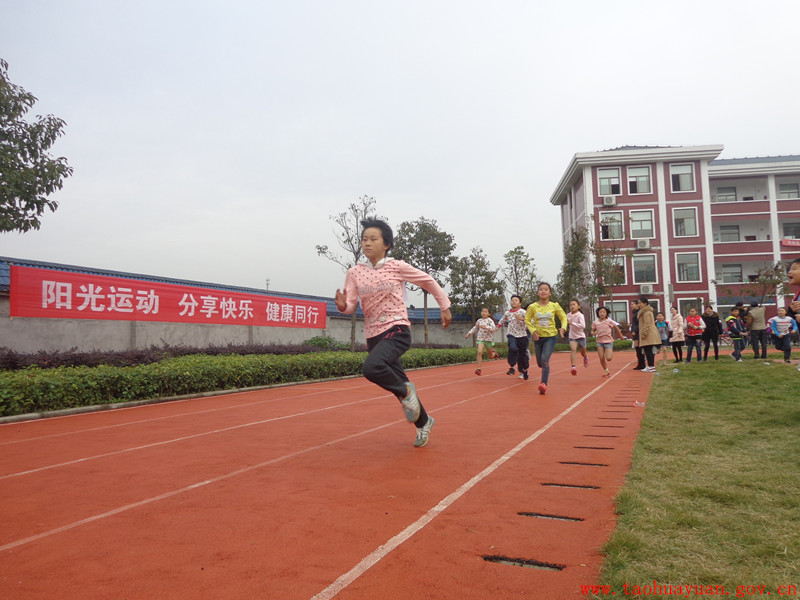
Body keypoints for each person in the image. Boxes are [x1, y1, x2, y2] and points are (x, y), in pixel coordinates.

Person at [335, 218, 452, 448]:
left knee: (372, 368)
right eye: (364, 239)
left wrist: (445, 306)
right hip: (374, 334)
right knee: (398, 381)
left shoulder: (396, 266)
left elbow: (428, 281)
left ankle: (406, 392)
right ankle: (424, 422)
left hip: (397, 328)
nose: (367, 243)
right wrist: (342, 306)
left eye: (373, 239)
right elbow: (350, 305)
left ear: (386, 244)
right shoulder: (355, 272)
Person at [525, 282, 567, 395]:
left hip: (551, 337)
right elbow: (527, 320)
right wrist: (533, 331)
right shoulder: (532, 307)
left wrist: (563, 328)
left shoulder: (554, 306)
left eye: (546, 289)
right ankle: (544, 370)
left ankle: (544, 384)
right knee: (540, 363)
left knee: (544, 359)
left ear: (550, 293)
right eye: (541, 289)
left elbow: (563, 317)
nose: (543, 291)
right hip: (538, 338)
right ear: (538, 292)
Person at [497, 295, 530, 380]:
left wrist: (522, 318)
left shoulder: (523, 312)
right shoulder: (507, 313)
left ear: (520, 303)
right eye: (512, 300)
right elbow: (502, 320)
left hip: (522, 336)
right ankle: (512, 366)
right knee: (513, 348)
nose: (513, 302)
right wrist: (497, 327)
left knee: (522, 355)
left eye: (516, 300)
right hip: (511, 334)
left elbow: (530, 321)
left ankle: (525, 369)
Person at [465, 307, 499, 376]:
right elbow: (475, 328)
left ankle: (494, 354)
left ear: (489, 314)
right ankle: (479, 369)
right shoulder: (479, 321)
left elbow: (493, 328)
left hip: (489, 340)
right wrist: (469, 333)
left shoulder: (490, 321)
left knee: (490, 356)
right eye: (482, 311)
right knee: (479, 352)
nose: (483, 313)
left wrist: (486, 327)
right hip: (481, 339)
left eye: (485, 312)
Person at [591, 306, 623, 378]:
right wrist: (593, 333)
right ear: (598, 313)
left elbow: (616, 328)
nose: (602, 314)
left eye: (603, 312)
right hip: (599, 342)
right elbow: (592, 330)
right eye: (600, 312)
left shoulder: (609, 321)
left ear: (606, 313)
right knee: (601, 358)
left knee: (608, 358)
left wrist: (621, 336)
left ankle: (608, 351)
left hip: (608, 341)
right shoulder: (595, 322)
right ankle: (606, 370)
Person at [635, 297, 661, 372]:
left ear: (645, 303)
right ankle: (650, 365)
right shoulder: (643, 312)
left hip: (649, 333)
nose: (639, 304)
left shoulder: (647, 312)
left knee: (648, 350)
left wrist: (644, 333)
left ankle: (651, 366)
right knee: (647, 350)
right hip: (647, 333)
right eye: (638, 303)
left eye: (640, 303)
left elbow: (647, 323)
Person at [567, 299, 589, 376]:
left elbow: (583, 326)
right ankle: (573, 367)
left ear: (578, 306)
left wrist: (572, 323)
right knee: (573, 350)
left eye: (574, 304)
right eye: (571, 305)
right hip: (572, 336)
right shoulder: (568, 315)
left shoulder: (580, 315)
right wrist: (562, 330)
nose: (572, 306)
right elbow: (565, 323)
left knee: (583, 353)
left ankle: (585, 356)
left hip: (581, 337)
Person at [785, 258, 800, 371]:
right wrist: (791, 310)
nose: (789, 272)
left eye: (794, 269)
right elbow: (791, 318)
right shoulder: (797, 295)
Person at [630, 303, 645, 370]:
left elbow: (637, 323)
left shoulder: (638, 313)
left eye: (633, 304)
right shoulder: (635, 313)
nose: (631, 306)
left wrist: (634, 331)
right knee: (637, 349)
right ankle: (641, 363)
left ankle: (642, 364)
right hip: (636, 333)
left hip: (638, 333)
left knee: (639, 349)